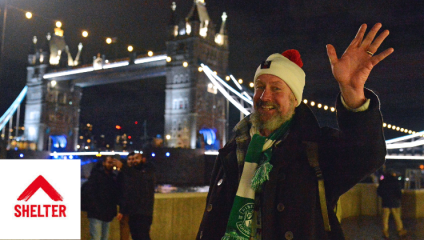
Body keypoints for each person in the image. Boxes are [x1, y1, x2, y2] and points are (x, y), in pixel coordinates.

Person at [196, 23, 392, 240]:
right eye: (259, 87)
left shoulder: (316, 149)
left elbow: (367, 156)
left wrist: (352, 93)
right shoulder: (232, 150)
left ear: (295, 98)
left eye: (276, 88)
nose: (264, 97)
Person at [115, 152, 156, 240]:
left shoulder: (148, 171)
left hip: (144, 213)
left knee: (143, 236)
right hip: (133, 212)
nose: (134, 161)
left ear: (143, 159)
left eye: (137, 158)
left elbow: (139, 177)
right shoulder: (134, 172)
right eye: (133, 159)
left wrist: (123, 167)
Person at [82, 156, 119, 240]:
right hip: (97, 212)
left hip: (106, 212)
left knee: (102, 237)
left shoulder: (113, 177)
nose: (110, 165)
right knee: (97, 237)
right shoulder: (97, 176)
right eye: (109, 162)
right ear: (103, 163)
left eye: (112, 163)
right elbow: (90, 194)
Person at [377, 170, 408, 239]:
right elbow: (398, 192)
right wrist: (398, 198)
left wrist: (384, 197)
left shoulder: (383, 182)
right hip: (395, 202)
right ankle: (400, 230)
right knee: (397, 217)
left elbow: (379, 191)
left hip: (385, 202)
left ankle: (385, 232)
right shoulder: (395, 181)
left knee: (385, 217)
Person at [117, 152, 135, 240]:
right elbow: (123, 192)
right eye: (129, 159)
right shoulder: (124, 174)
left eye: (133, 159)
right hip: (127, 209)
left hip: (133, 209)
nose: (131, 161)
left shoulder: (124, 174)